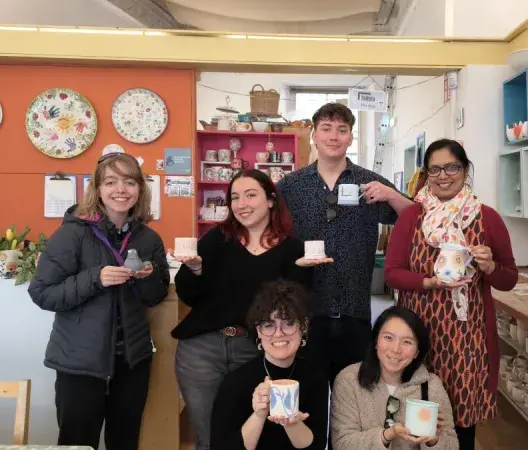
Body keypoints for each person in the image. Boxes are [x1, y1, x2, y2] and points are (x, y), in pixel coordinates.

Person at [172, 169, 329, 450]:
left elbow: (293, 306)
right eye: (235, 197)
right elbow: (190, 295)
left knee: (250, 432)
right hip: (202, 349)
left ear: (270, 200)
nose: (241, 203)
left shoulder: (293, 249)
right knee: (209, 437)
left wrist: (302, 274)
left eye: (250, 195)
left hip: (252, 349)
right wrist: (193, 269)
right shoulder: (217, 240)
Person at [29, 151, 170, 450]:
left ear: (140, 190)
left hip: (131, 362)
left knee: (125, 442)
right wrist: (95, 278)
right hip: (80, 363)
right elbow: (42, 292)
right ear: (97, 189)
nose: (121, 189)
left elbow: (157, 296)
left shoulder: (148, 239)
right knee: (77, 444)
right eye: (111, 182)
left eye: (129, 182)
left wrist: (148, 277)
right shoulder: (72, 234)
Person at [384, 139, 518, 450]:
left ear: (465, 169)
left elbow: (508, 279)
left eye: (452, 167)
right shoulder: (411, 217)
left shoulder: (486, 218)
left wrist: (490, 266)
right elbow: (391, 273)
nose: (444, 175)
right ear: (426, 173)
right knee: (415, 416)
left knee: (459, 422)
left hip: (467, 341)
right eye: (435, 169)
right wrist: (427, 282)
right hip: (416, 336)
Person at [277, 102, 414, 389]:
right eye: (326, 129)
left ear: (350, 137)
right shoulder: (291, 185)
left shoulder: (370, 182)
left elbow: (417, 217)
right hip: (305, 311)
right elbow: (270, 231)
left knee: (353, 402)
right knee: (307, 396)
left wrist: (390, 194)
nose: (333, 136)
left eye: (342, 130)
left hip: (355, 310)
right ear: (314, 134)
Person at [210, 280, 329, 450]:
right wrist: (259, 415)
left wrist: (292, 423)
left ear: (303, 326)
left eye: (288, 323)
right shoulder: (235, 382)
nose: (278, 334)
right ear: (259, 331)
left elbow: (316, 445)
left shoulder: (315, 376)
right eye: (268, 325)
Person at [330, 306, 458, 450]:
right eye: (388, 338)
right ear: (376, 342)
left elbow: (452, 445)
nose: (396, 349)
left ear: (417, 352)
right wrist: (386, 435)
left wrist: (434, 441)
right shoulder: (349, 380)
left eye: (407, 342)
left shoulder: (431, 385)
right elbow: (342, 443)